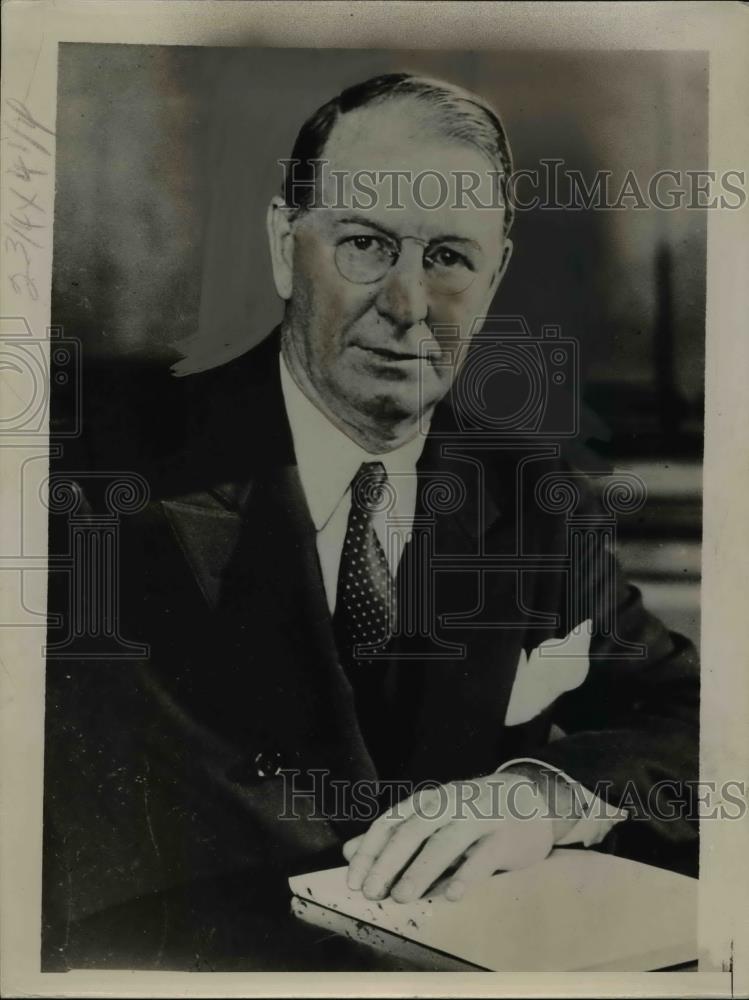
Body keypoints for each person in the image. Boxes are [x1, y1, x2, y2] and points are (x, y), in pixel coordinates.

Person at [43, 73, 699, 957]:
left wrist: (544, 792)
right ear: (284, 246)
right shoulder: (88, 481)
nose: (406, 306)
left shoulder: (533, 498)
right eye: (364, 244)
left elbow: (695, 722)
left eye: (448, 258)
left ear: (494, 273)